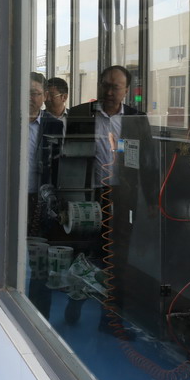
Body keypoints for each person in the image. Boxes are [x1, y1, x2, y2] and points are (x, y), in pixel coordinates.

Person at [65, 65, 158, 333]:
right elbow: (66, 156)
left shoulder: (136, 119)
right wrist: (66, 197)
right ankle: (75, 300)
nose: (108, 91)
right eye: (105, 85)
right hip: (88, 195)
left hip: (123, 196)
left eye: (115, 87)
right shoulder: (81, 114)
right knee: (84, 252)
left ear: (126, 90)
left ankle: (111, 319)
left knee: (119, 258)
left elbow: (148, 161)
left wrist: (152, 199)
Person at [27, 72, 64, 319]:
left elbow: (59, 166)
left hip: (40, 201)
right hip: (11, 198)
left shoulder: (53, 124)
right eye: (27, 92)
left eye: (36, 93)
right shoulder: (5, 120)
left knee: (40, 261)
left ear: (44, 97)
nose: (31, 98)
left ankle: (39, 315)